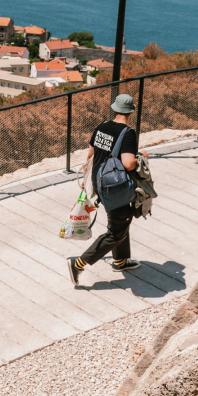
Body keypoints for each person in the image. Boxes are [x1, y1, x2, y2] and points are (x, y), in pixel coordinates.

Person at [67, 94, 148, 286]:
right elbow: (128, 163)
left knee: (122, 219)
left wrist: (88, 180)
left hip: (100, 182)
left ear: (115, 109)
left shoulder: (101, 126)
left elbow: (91, 155)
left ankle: (121, 261)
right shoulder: (127, 132)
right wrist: (142, 156)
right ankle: (78, 263)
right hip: (115, 186)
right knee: (116, 231)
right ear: (131, 112)